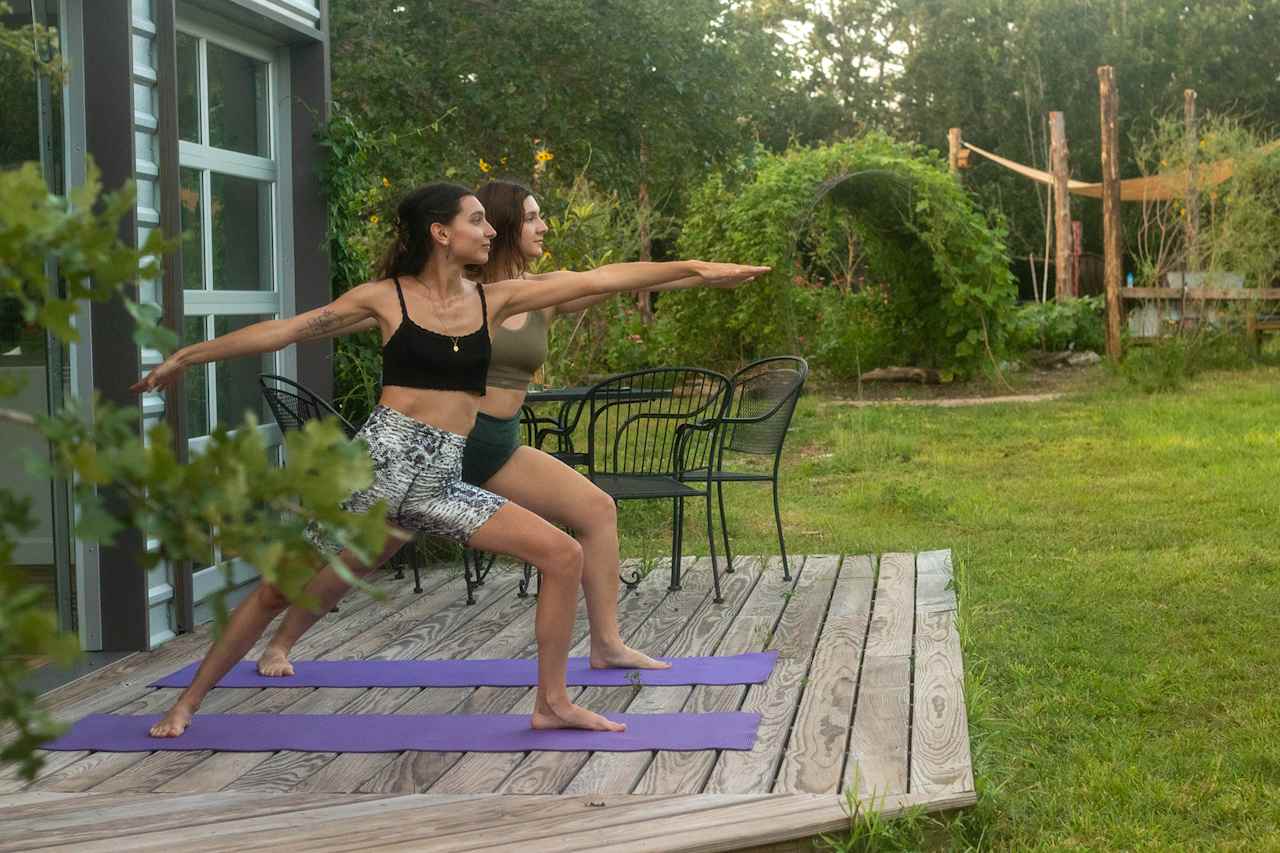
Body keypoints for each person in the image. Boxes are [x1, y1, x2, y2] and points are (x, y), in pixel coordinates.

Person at [131, 182, 767, 738]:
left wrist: (695, 267)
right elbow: (285, 331)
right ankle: (190, 701)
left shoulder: (495, 300)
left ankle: (552, 703)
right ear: (441, 233)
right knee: (277, 591)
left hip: (442, 474)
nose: (490, 230)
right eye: (476, 221)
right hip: (378, 466)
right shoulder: (385, 299)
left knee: (563, 553)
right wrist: (188, 357)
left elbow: (601, 279)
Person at [255, 180, 712, 680]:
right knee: (364, 553)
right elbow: (352, 321)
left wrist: (704, 274)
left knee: (596, 509)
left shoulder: (539, 293)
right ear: (504, 224)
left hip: (497, 444)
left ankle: (606, 643)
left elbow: (613, 279)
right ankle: (279, 643)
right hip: (436, 447)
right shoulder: (451, 295)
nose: (543, 226)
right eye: (533, 217)